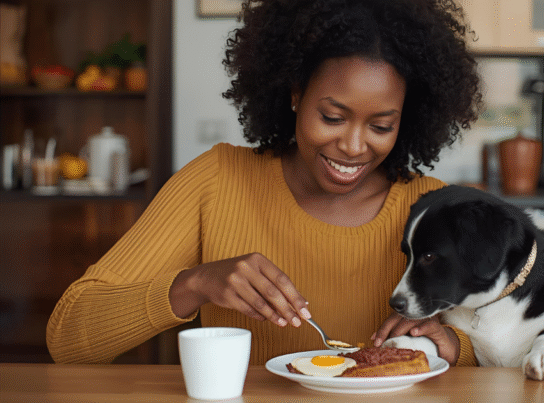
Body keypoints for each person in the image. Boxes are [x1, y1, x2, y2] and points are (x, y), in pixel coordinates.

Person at [46, 0, 482, 366]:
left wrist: (453, 345)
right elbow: (67, 339)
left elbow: (512, 347)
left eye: (381, 126)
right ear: (294, 93)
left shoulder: (433, 209)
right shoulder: (216, 181)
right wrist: (193, 284)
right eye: (332, 117)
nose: (353, 146)